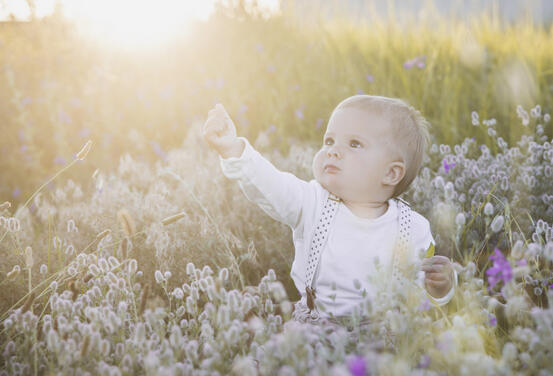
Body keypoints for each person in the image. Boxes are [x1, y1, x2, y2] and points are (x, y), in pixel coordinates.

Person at [201, 95, 458, 334]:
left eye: (355, 144)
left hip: (381, 337)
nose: (333, 151)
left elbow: (417, 293)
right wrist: (235, 150)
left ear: (391, 174)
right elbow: (272, 185)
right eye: (329, 141)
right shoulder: (313, 202)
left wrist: (440, 288)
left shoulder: (413, 227)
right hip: (314, 329)